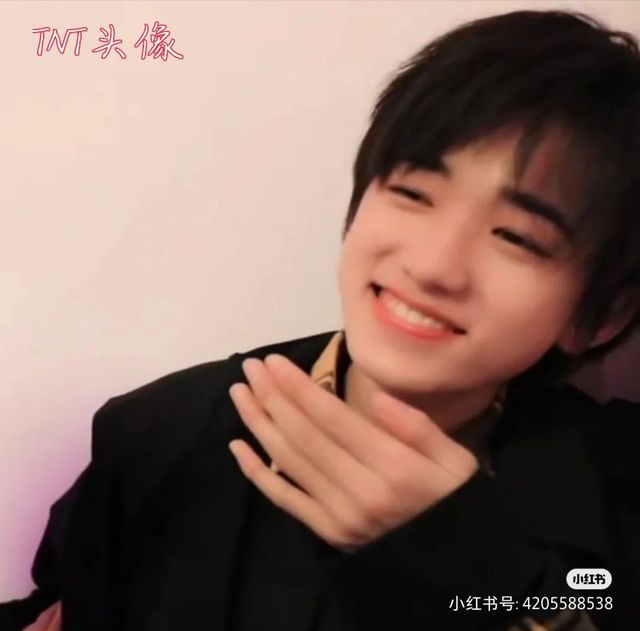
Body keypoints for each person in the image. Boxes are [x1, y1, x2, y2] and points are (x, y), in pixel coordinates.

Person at [1, 8, 639, 631]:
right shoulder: (160, 436)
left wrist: (471, 565)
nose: (433, 266)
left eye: (518, 237)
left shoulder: (617, 485)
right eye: (412, 192)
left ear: (602, 315)